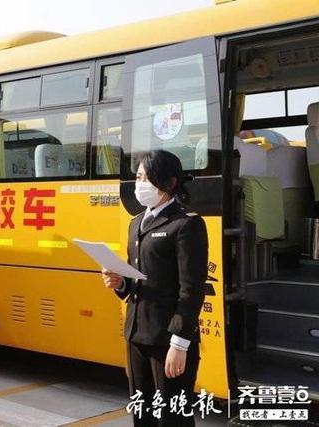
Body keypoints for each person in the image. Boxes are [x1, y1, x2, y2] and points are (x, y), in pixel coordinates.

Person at [102, 150, 207, 427]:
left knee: (172, 419)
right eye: (138, 177)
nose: (140, 184)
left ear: (170, 182)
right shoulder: (136, 222)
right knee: (142, 415)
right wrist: (120, 283)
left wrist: (179, 344)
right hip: (136, 334)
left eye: (147, 178)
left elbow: (191, 290)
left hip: (168, 340)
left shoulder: (186, 224)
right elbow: (136, 277)